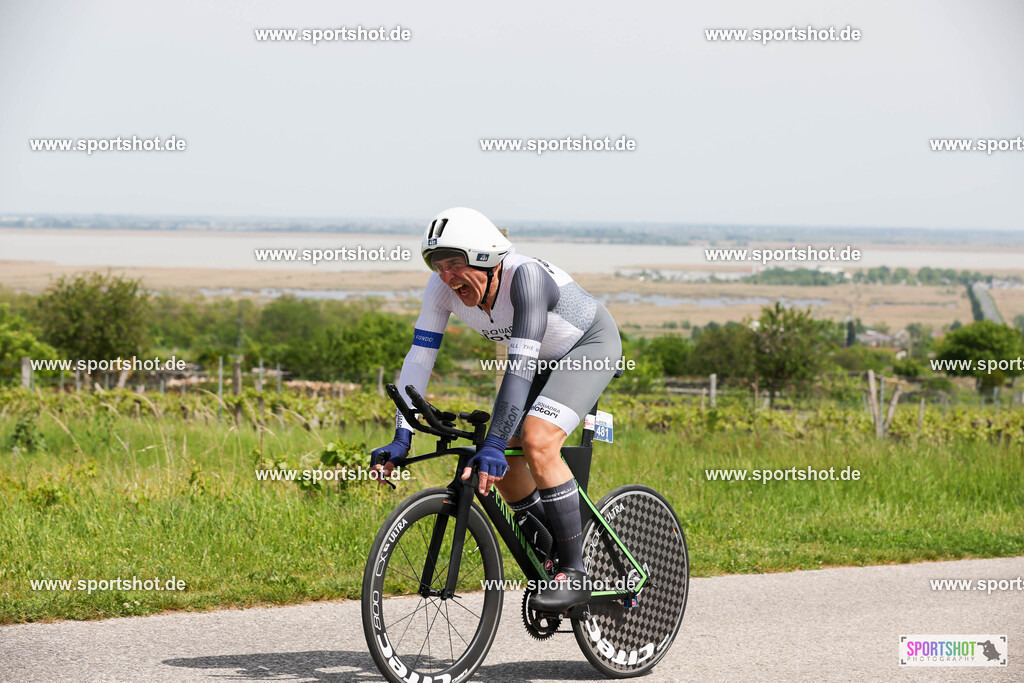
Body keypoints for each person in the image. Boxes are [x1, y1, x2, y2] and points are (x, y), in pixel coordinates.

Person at [370, 207, 622, 612]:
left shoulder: (527, 279)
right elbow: (418, 359)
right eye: (438, 265)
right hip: (538, 359)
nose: (446, 276)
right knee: (500, 463)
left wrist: (496, 441)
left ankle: (574, 572)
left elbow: (519, 367)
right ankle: (550, 545)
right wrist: (403, 435)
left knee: (538, 442)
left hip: (587, 348)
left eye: (455, 263)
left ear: (485, 258)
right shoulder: (440, 291)